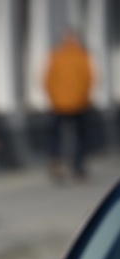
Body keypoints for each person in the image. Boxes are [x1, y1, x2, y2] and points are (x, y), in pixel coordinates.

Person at [43, 29, 95, 181]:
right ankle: (78, 168)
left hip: (58, 103)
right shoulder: (82, 55)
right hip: (79, 103)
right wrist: (85, 97)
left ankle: (56, 159)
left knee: (56, 135)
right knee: (80, 137)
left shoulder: (56, 55)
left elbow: (47, 79)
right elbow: (90, 78)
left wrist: (52, 98)